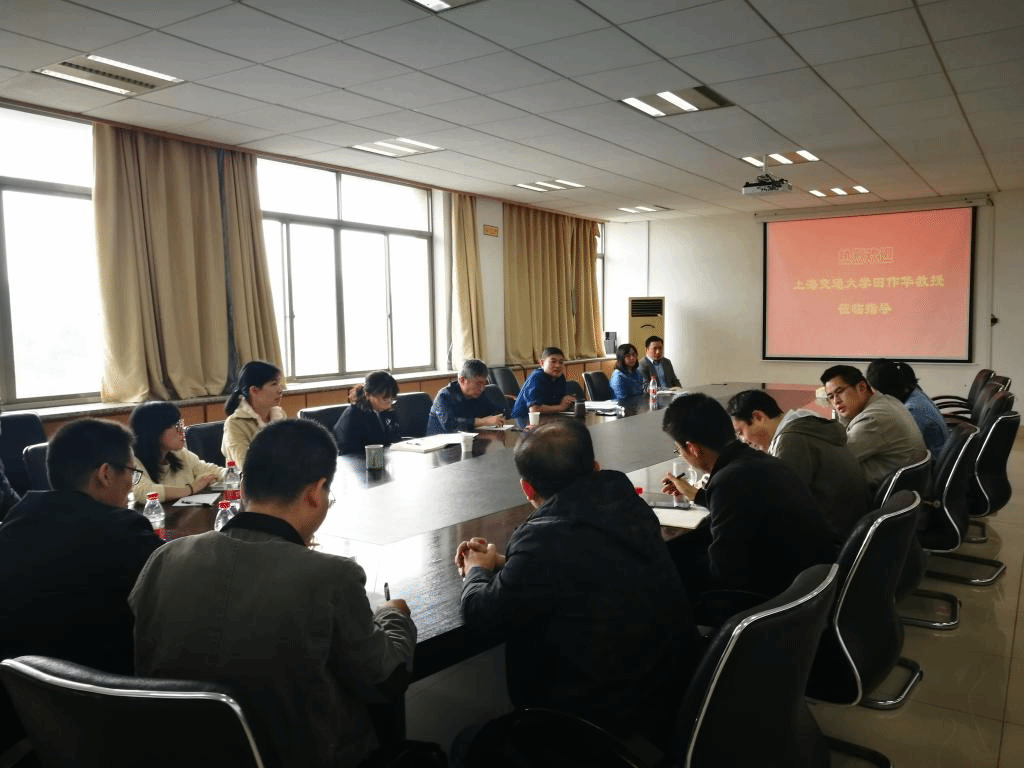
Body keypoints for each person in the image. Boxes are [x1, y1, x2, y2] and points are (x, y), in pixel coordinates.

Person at [130, 419, 416, 768]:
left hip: (176, 753)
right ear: (316, 491)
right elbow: (385, 679)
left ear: (244, 487)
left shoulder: (164, 559)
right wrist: (393, 615)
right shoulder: (331, 576)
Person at [455, 418, 700, 744]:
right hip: (670, 695)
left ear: (527, 489)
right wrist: (505, 563)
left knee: (468, 743)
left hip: (596, 719)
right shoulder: (629, 504)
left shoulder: (543, 538)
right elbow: (582, 563)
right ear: (596, 467)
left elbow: (482, 616)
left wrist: (475, 569)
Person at [0, 418, 161, 675]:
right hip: (101, 689)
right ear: (105, 474)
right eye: (131, 472)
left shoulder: (16, 520)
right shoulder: (124, 531)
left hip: (19, 685)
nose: (132, 484)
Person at [660, 394, 835, 617]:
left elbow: (725, 573)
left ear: (692, 448)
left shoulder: (729, 480)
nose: (682, 455)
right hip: (811, 589)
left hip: (778, 603)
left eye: (679, 450)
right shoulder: (762, 461)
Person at [726, 389, 868, 543]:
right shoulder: (807, 426)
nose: (744, 440)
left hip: (829, 540)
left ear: (758, 417)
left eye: (741, 432)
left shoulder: (791, 439)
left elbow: (778, 506)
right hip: (846, 530)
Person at [820, 365, 927, 491]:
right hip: (902, 487)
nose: (836, 401)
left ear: (861, 387)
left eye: (839, 392)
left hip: (880, 493)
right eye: (831, 397)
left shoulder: (872, 420)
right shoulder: (887, 400)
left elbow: (833, 459)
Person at [131, 401, 224, 502]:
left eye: (181, 424)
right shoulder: (132, 461)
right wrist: (191, 489)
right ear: (154, 431)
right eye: (176, 426)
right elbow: (142, 492)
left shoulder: (180, 454)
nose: (182, 430)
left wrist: (234, 475)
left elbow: (212, 471)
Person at [866, 358, 950, 459]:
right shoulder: (914, 392)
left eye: (873, 392)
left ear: (884, 391)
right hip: (938, 456)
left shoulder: (911, 411)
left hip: (932, 463)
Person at [222, 360, 287, 466]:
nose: (280, 390)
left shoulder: (280, 414)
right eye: (274, 384)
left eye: (279, 383)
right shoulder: (234, 424)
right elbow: (246, 466)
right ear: (254, 390)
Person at [426, 359, 504, 435]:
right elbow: (450, 425)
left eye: (484, 383)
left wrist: (498, 417)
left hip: (470, 439)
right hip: (441, 441)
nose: (482, 388)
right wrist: (483, 421)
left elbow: (493, 411)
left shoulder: (478, 394)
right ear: (462, 380)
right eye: (478, 383)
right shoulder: (444, 396)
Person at [334, 371, 403, 455]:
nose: (389, 404)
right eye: (385, 399)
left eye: (392, 399)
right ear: (367, 395)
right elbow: (350, 452)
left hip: (381, 457)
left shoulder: (384, 409)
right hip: (358, 459)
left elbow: (395, 437)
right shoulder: (354, 416)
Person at [509, 347, 575, 419]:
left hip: (547, 418)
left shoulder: (560, 377)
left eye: (561, 362)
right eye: (553, 361)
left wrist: (567, 399)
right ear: (542, 363)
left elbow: (558, 400)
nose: (558, 365)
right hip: (523, 420)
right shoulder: (537, 378)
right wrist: (561, 407)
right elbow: (534, 409)